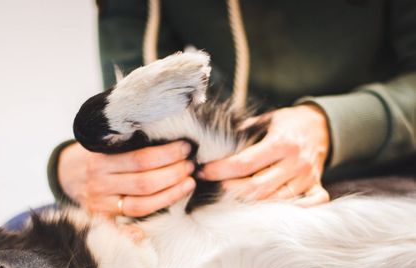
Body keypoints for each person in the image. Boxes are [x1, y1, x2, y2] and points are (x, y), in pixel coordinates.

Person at [48, 0, 416, 217]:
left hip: (380, 169)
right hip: (224, 184)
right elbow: (136, 100)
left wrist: (332, 127)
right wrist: (74, 169)